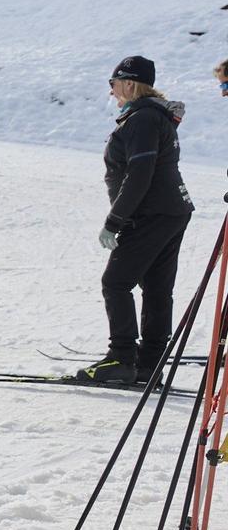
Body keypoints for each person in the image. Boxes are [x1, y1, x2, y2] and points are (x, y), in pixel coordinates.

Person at [76, 56, 193, 384]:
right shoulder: (153, 116)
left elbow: (140, 173)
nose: (111, 92)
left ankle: (122, 359)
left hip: (152, 213)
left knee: (116, 282)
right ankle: (151, 364)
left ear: (129, 83)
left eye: (113, 84)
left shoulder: (142, 118)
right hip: (171, 211)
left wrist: (115, 221)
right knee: (156, 288)